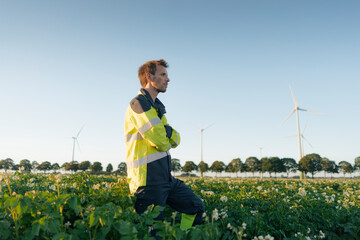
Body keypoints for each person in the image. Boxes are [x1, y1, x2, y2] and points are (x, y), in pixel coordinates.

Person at [124, 59, 204, 234]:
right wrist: (167, 134)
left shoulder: (158, 108)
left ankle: (182, 235)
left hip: (166, 178)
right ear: (149, 76)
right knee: (152, 233)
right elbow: (161, 142)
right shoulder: (138, 103)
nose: (168, 79)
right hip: (147, 181)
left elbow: (177, 139)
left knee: (196, 206)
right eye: (163, 74)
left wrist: (166, 133)